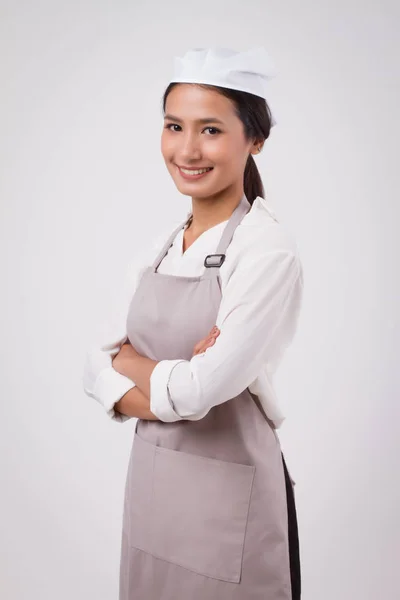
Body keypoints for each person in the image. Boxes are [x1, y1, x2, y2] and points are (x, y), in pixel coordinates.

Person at [83, 46, 303, 599]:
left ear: (254, 140)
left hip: (229, 508)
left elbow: (199, 394)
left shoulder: (265, 249)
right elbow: (93, 364)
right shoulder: (160, 248)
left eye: (210, 130)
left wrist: (130, 365)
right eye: (174, 126)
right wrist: (163, 377)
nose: (187, 149)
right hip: (156, 496)